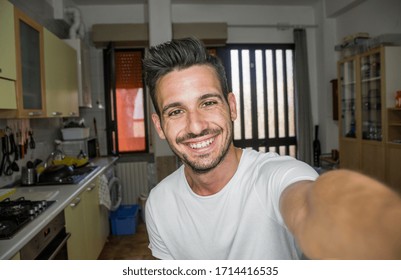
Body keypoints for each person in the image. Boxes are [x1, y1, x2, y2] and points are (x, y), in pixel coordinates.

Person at [142, 37, 401, 260]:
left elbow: (303, 199)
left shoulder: (277, 176)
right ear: (160, 126)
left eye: (208, 103)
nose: (196, 126)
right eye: (176, 111)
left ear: (231, 107)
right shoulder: (159, 204)